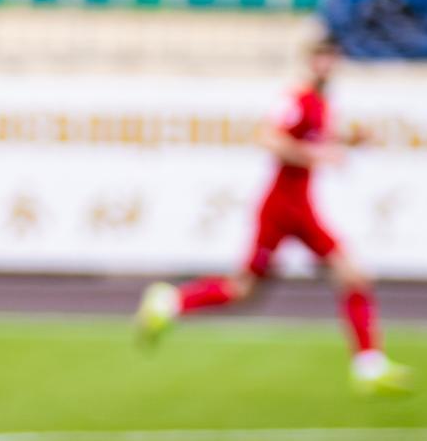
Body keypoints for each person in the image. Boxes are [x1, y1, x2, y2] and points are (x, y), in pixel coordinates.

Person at [137, 36, 412, 396]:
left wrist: (347, 141)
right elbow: (268, 137)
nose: (326, 65)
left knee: (348, 277)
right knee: (248, 290)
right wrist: (317, 155)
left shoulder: (321, 105)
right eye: (321, 58)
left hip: (300, 208)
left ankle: (369, 366)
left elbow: (317, 138)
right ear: (309, 61)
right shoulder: (297, 99)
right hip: (282, 208)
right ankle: (171, 301)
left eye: (332, 58)